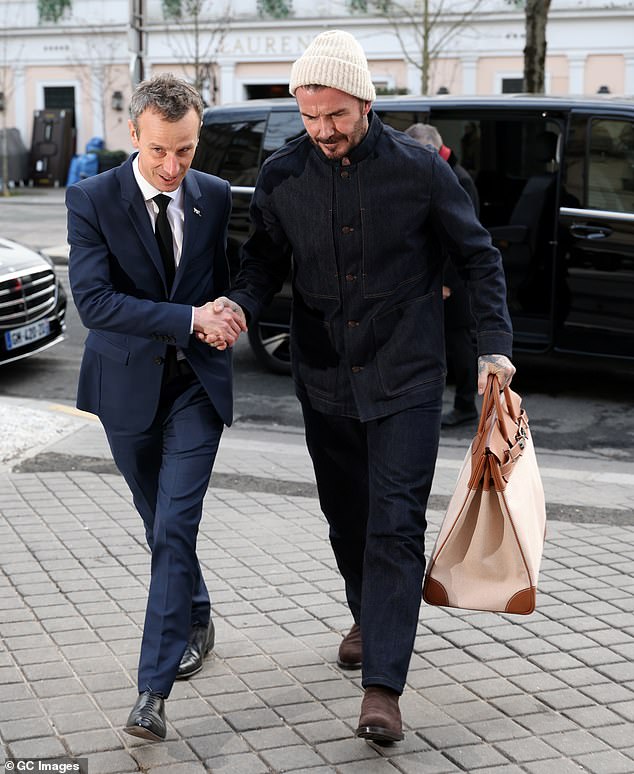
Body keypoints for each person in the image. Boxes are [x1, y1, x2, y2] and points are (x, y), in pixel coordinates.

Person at [211, 30, 515, 744]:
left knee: (395, 525)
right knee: (347, 520)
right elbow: (261, 263)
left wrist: (493, 347)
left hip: (406, 375)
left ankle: (383, 686)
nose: (323, 130)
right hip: (323, 379)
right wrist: (238, 306)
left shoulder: (420, 170)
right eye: (310, 115)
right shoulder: (283, 174)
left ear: (366, 103)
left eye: (336, 115)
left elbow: (480, 258)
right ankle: (367, 615)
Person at [66, 73, 247, 742]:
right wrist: (190, 318)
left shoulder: (214, 196)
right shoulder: (91, 198)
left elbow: (229, 278)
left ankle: (152, 691)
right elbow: (95, 303)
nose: (173, 167)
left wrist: (231, 309)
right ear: (133, 134)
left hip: (197, 386)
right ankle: (197, 613)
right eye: (159, 151)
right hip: (126, 389)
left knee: (175, 525)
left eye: (187, 151)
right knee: (158, 522)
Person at [405, 123, 480, 427]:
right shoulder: (443, 170)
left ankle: (466, 405)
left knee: (459, 343)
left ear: (431, 150)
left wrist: (446, 282)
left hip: (453, 279)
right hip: (437, 275)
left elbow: (460, 238)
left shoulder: (458, 179)